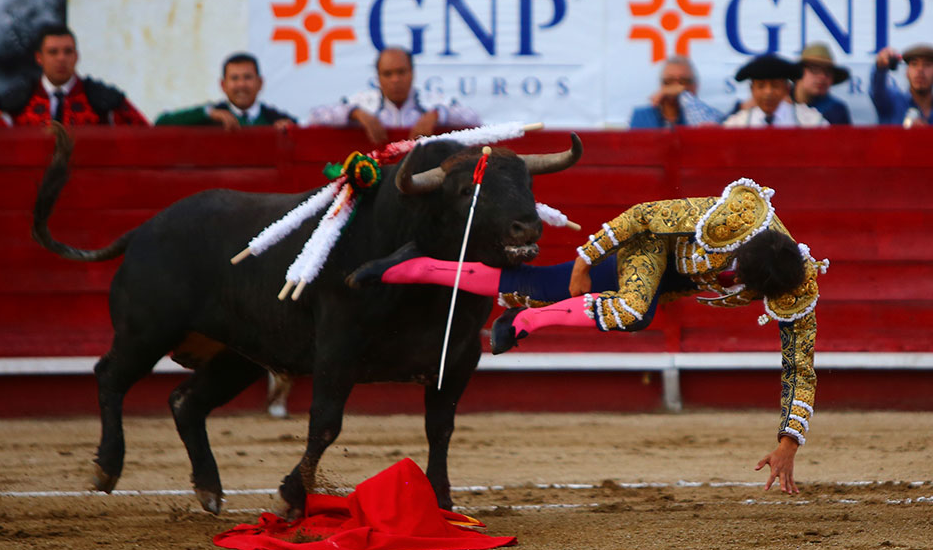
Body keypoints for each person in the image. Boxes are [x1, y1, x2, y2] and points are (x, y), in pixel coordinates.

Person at [348, 178, 827, 495]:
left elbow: (799, 366)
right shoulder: (738, 215)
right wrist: (585, 257)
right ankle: (525, 323)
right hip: (648, 247)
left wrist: (789, 441)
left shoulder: (796, 289)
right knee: (634, 312)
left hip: (670, 282)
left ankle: (405, 267)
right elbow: (643, 216)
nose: (738, 283)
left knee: (527, 285)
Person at [0, 24, 147, 128]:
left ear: (76, 56)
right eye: (53, 52)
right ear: (39, 58)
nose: (61, 58)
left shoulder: (105, 100)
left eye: (67, 51)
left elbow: (145, 137)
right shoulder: (15, 102)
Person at [307, 47, 480, 145]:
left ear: (412, 73)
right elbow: (315, 116)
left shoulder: (432, 102)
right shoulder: (364, 103)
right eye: (388, 74)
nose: (395, 80)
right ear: (378, 77)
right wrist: (357, 114)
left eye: (401, 72)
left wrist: (436, 115)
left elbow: (474, 118)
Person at [155, 53, 296, 129]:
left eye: (247, 77)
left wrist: (291, 131)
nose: (241, 84)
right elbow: (161, 123)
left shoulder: (276, 120)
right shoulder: (211, 115)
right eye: (234, 78)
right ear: (223, 85)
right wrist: (207, 113)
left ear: (260, 83)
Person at [723, 54, 827, 128]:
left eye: (775, 86)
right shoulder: (738, 125)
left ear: (787, 89)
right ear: (752, 89)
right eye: (761, 86)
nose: (768, 92)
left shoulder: (810, 122)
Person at [629, 56, 724, 128]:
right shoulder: (642, 115)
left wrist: (684, 96)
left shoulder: (705, 114)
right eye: (669, 81)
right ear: (661, 85)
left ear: (695, 86)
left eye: (684, 81)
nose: (676, 87)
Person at [870, 43, 933, 126]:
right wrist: (880, 66)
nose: (920, 70)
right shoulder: (892, 102)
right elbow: (877, 91)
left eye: (927, 65)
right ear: (906, 72)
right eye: (914, 64)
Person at [792, 43, 852, 125]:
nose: (822, 77)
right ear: (799, 73)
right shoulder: (779, 104)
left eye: (828, 72)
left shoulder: (835, 110)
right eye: (815, 70)